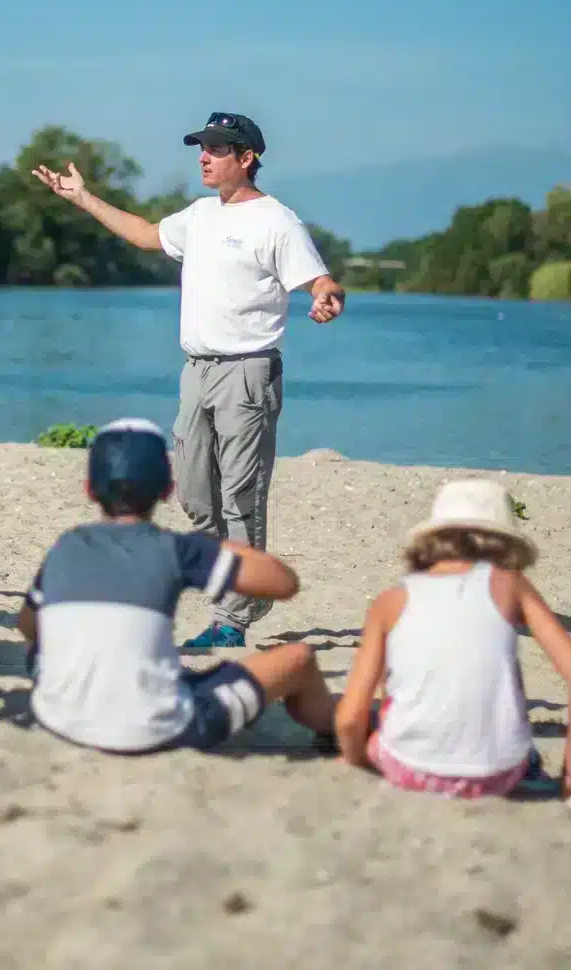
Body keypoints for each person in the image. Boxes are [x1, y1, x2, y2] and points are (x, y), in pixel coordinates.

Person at [33, 112, 346, 649]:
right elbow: (145, 235)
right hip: (195, 372)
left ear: (245, 158)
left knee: (240, 497)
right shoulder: (200, 214)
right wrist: (81, 198)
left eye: (217, 148)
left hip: (248, 373)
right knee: (196, 496)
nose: (203, 155)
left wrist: (327, 295)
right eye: (201, 147)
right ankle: (245, 589)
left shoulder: (277, 221)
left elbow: (318, 278)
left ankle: (233, 617)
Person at [18, 419, 337, 754]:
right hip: (161, 729)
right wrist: (210, 548)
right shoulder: (178, 549)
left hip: (56, 720)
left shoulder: (65, 546)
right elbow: (283, 582)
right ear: (168, 491)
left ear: (88, 489)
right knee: (298, 658)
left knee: (42, 647)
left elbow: (28, 626)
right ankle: (335, 729)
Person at [332, 479, 571, 803]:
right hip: (499, 774)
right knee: (523, 750)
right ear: (504, 542)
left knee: (386, 708)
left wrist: (356, 759)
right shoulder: (512, 585)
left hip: (407, 769)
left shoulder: (390, 602)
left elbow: (349, 719)